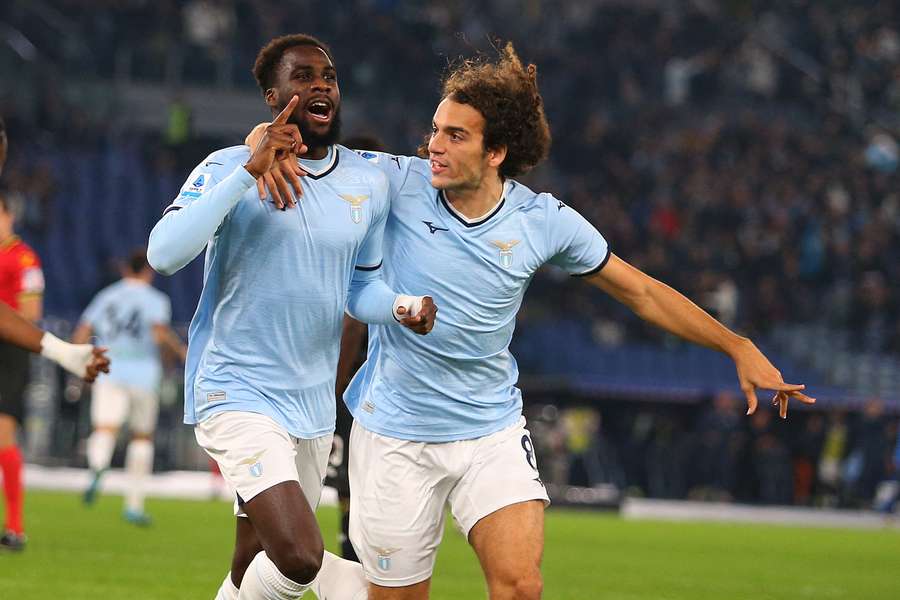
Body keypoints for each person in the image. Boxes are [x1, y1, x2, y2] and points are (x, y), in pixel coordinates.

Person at [250, 42, 815, 599]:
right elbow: (313, 153)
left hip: (489, 430)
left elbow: (641, 292)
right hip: (396, 433)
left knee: (521, 586)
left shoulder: (542, 221)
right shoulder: (397, 181)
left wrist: (735, 345)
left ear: (495, 152)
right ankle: (308, 581)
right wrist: (258, 140)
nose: (433, 147)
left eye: (455, 135)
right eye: (435, 129)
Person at [148, 34, 436, 600]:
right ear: (271, 94)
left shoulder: (366, 183)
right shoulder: (230, 165)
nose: (320, 84)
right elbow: (163, 254)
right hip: (236, 390)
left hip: (311, 405)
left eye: (327, 76)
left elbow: (362, 291)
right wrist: (244, 173)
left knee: (255, 561)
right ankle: (365, 587)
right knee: (302, 556)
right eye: (302, 77)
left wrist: (400, 306)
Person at [72, 249, 186, 525]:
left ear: (125, 270)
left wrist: (78, 365)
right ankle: (134, 504)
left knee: (104, 428)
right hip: (144, 372)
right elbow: (159, 334)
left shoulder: (107, 295)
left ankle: (98, 467)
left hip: (109, 368)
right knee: (142, 436)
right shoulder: (155, 300)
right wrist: (179, 352)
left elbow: (82, 332)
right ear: (148, 271)